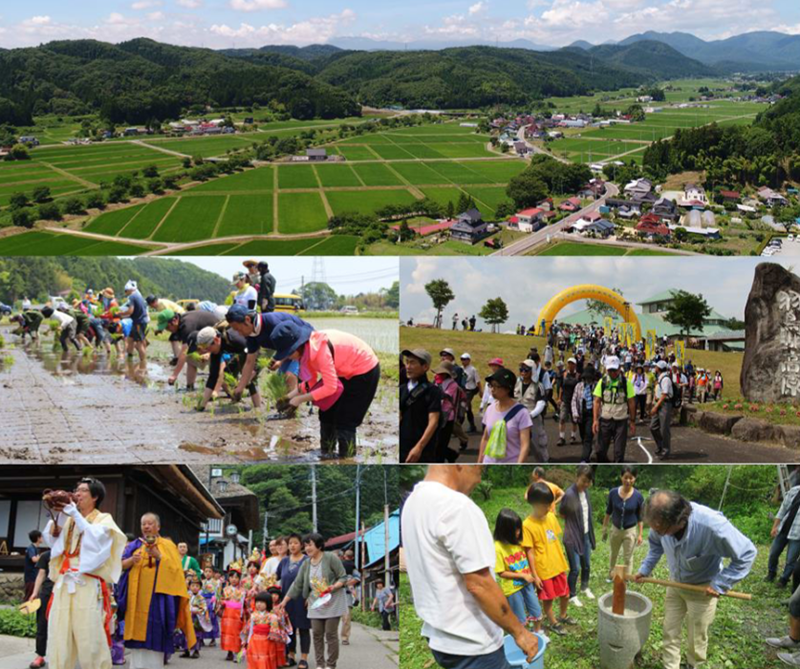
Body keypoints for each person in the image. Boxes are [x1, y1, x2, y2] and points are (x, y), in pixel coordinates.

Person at [402, 465, 539, 668]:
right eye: (480, 471)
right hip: (472, 643)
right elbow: (479, 585)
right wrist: (520, 633)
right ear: (459, 465)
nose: (478, 480)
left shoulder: (413, 502)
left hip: (441, 640)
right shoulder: (456, 506)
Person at [635, 490, 756, 669]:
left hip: (703, 590)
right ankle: (671, 666)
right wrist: (645, 569)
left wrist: (721, 583)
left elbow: (747, 553)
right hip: (675, 583)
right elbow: (655, 545)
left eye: (660, 530)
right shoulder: (658, 525)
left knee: (696, 636)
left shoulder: (712, 526)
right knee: (670, 629)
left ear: (678, 520)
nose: (656, 532)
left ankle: (693, 664)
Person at [42, 477, 127, 669]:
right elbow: (54, 546)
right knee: (59, 631)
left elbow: (97, 542)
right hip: (65, 580)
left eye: (83, 491)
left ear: (95, 496)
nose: (77, 494)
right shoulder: (70, 518)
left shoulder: (104, 519)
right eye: (76, 490)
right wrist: (58, 523)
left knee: (89, 633)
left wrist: (74, 514)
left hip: (87, 582)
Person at [271, 321, 381, 459]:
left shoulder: (320, 349)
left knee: (345, 418)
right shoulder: (305, 353)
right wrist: (288, 397)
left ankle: (346, 459)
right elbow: (310, 383)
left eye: (288, 352)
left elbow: (330, 387)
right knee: (326, 412)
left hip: (365, 369)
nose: (288, 357)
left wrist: (298, 400)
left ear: (297, 346)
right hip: (342, 371)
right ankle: (326, 452)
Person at [118, 513, 197, 669]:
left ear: (158, 527)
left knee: (154, 637)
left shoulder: (167, 546)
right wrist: (131, 561)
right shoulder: (134, 545)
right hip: (136, 600)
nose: (146, 526)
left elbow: (176, 571)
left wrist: (159, 556)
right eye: (143, 524)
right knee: (136, 645)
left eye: (150, 523)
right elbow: (120, 565)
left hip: (156, 600)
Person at [281, 533, 349, 669]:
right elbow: (297, 584)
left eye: (310, 545)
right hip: (315, 602)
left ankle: (330, 665)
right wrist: (284, 601)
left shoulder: (330, 557)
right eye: (305, 545)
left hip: (332, 601)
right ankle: (320, 664)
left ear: (319, 545)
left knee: (330, 634)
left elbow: (343, 577)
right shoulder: (306, 563)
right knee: (317, 634)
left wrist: (334, 586)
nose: (307, 548)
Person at [523, 483, 574, 636]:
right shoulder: (527, 525)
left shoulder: (551, 517)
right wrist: (535, 574)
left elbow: (554, 539)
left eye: (550, 504)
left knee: (565, 594)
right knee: (549, 598)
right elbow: (529, 552)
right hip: (543, 569)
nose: (549, 507)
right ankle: (553, 623)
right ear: (534, 503)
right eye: (546, 505)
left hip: (557, 564)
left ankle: (563, 615)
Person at [493, 508, 543, 635]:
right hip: (512, 589)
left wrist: (532, 576)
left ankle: (538, 633)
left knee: (536, 610)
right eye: (515, 530)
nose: (518, 532)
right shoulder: (497, 548)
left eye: (519, 528)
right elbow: (501, 573)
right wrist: (522, 575)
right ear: (505, 530)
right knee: (520, 618)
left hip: (527, 584)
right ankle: (523, 637)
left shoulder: (519, 542)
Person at [193, 325, 263, 411]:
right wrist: (201, 406)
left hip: (257, 348)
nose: (207, 351)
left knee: (249, 379)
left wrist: (248, 377)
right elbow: (213, 377)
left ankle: (258, 410)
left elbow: (256, 352)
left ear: (216, 340)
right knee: (226, 374)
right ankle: (236, 398)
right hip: (241, 353)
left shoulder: (235, 339)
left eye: (207, 348)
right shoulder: (216, 349)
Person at [559, 466, 596, 608]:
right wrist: (572, 525)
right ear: (577, 477)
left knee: (586, 564)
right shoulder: (569, 495)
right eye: (583, 481)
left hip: (585, 535)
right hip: (572, 537)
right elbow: (562, 513)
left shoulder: (586, 493)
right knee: (575, 568)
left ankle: (584, 587)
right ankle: (572, 595)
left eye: (589, 482)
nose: (586, 484)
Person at [157, 308, 221, 390]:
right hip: (204, 338)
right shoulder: (180, 323)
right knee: (191, 357)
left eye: (168, 327)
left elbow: (184, 352)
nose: (167, 330)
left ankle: (216, 386)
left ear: (174, 320)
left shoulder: (187, 326)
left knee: (212, 360)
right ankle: (189, 386)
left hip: (216, 339)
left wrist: (174, 375)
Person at [478, 367, 532, 464]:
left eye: (496, 386)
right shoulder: (490, 409)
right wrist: (479, 462)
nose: (492, 389)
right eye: (491, 386)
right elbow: (485, 438)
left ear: (507, 389)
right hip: (489, 463)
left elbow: (525, 445)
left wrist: (518, 467)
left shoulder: (522, 413)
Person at [601, 466, 644, 580]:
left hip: (630, 531)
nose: (628, 481)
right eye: (626, 477)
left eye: (631, 478)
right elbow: (608, 512)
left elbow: (640, 517)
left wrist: (640, 534)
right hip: (615, 529)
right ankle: (611, 575)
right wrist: (604, 528)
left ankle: (626, 578)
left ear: (635, 478)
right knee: (613, 554)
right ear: (621, 477)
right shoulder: (613, 493)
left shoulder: (638, 496)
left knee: (628, 557)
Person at [400, 348, 442, 463]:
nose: (408, 367)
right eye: (407, 362)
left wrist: (419, 447)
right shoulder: (401, 389)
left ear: (425, 367)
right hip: (402, 444)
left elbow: (433, 422)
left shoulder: (433, 391)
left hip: (423, 448)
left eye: (412, 363)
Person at [277, 534, 312, 669]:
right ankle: (290, 656)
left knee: (303, 628)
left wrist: (310, 596)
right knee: (289, 629)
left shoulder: (307, 561)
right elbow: (276, 578)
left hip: (302, 600)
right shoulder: (284, 561)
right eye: (290, 543)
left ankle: (304, 658)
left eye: (295, 543)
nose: (292, 546)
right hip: (286, 600)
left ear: (301, 545)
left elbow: (312, 581)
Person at [592, 356, 636, 463]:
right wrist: (595, 420)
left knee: (619, 453)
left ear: (619, 368)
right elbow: (597, 401)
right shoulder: (602, 382)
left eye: (614, 370)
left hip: (621, 420)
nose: (612, 373)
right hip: (605, 419)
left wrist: (632, 421)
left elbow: (631, 402)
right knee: (600, 451)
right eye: (610, 370)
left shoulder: (626, 383)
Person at [767, 481, 800, 588]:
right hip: (783, 529)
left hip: (797, 534)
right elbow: (782, 510)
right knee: (773, 553)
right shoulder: (794, 491)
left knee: (791, 559)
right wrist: (774, 526)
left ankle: (784, 579)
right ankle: (771, 573)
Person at [516, 360, 548, 463]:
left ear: (532, 371)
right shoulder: (516, 383)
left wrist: (531, 414)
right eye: (521, 369)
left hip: (533, 419)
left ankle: (544, 462)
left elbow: (541, 403)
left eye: (526, 370)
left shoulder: (538, 386)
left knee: (538, 445)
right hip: (517, 419)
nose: (523, 372)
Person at [26, 546, 53, 669]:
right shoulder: (46, 555)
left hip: (67, 594)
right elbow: (41, 574)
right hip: (47, 593)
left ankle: (65, 657)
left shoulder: (72, 555)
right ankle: (40, 655)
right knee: (42, 624)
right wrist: (34, 592)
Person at [434, 360, 465, 463]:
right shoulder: (437, 382)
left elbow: (445, 396)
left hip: (448, 417)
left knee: (441, 442)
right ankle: (451, 454)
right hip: (437, 414)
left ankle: (443, 459)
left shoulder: (453, 385)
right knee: (435, 442)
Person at [218, 563, 246, 661]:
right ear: (228, 578)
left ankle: (236, 652)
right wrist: (222, 602)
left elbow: (244, 603)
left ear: (239, 579)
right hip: (227, 614)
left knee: (236, 633)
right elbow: (221, 600)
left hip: (237, 614)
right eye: (231, 577)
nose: (234, 579)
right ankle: (229, 651)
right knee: (227, 633)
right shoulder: (225, 589)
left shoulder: (243, 591)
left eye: (236, 577)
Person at [117, 280, 149, 363]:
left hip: (139, 322)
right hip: (137, 321)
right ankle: (129, 358)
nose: (125, 292)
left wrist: (120, 313)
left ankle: (143, 363)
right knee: (130, 339)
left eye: (125, 291)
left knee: (139, 343)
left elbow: (130, 310)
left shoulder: (132, 296)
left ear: (129, 290)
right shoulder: (138, 295)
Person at [571, 366, 598, 463]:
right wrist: (575, 413)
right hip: (581, 414)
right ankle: (588, 451)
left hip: (592, 414)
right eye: (586, 377)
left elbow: (599, 401)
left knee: (588, 436)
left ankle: (584, 459)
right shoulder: (579, 386)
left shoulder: (597, 386)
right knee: (583, 436)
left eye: (589, 377)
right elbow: (574, 400)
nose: (588, 379)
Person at [651, 360, 674, 460]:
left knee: (664, 429)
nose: (655, 368)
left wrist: (656, 407)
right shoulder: (660, 377)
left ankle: (665, 450)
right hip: (659, 402)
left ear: (659, 368)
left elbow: (664, 394)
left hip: (665, 404)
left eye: (656, 367)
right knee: (653, 427)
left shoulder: (665, 379)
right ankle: (660, 445)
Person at [557, 358, 580, 446]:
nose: (570, 365)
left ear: (575, 365)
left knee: (574, 420)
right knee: (562, 418)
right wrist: (559, 398)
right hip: (565, 400)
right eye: (569, 363)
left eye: (572, 363)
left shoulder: (578, 376)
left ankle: (573, 436)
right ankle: (561, 437)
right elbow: (561, 388)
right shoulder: (564, 374)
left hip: (574, 401)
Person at [340, 549, 360, 645]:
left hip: (338, 594)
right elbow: (357, 578)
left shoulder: (339, 565)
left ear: (344, 556)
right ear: (352, 557)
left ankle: (332, 637)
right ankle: (344, 638)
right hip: (347, 594)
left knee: (334, 618)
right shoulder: (353, 567)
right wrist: (348, 583)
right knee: (346, 619)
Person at [461, 353, 481, 434]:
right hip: (462, 390)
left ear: (469, 360)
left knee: (464, 407)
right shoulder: (460, 369)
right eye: (462, 359)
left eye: (465, 359)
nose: (463, 361)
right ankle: (472, 425)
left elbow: (478, 381)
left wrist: (481, 391)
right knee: (468, 408)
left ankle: (457, 427)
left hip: (470, 390)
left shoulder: (473, 369)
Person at [24, 530, 42, 601]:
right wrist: (42, 557)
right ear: (38, 538)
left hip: (34, 574)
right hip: (31, 575)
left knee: (33, 595)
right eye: (41, 537)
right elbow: (34, 559)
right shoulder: (31, 548)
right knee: (29, 594)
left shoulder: (35, 548)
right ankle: (25, 610)